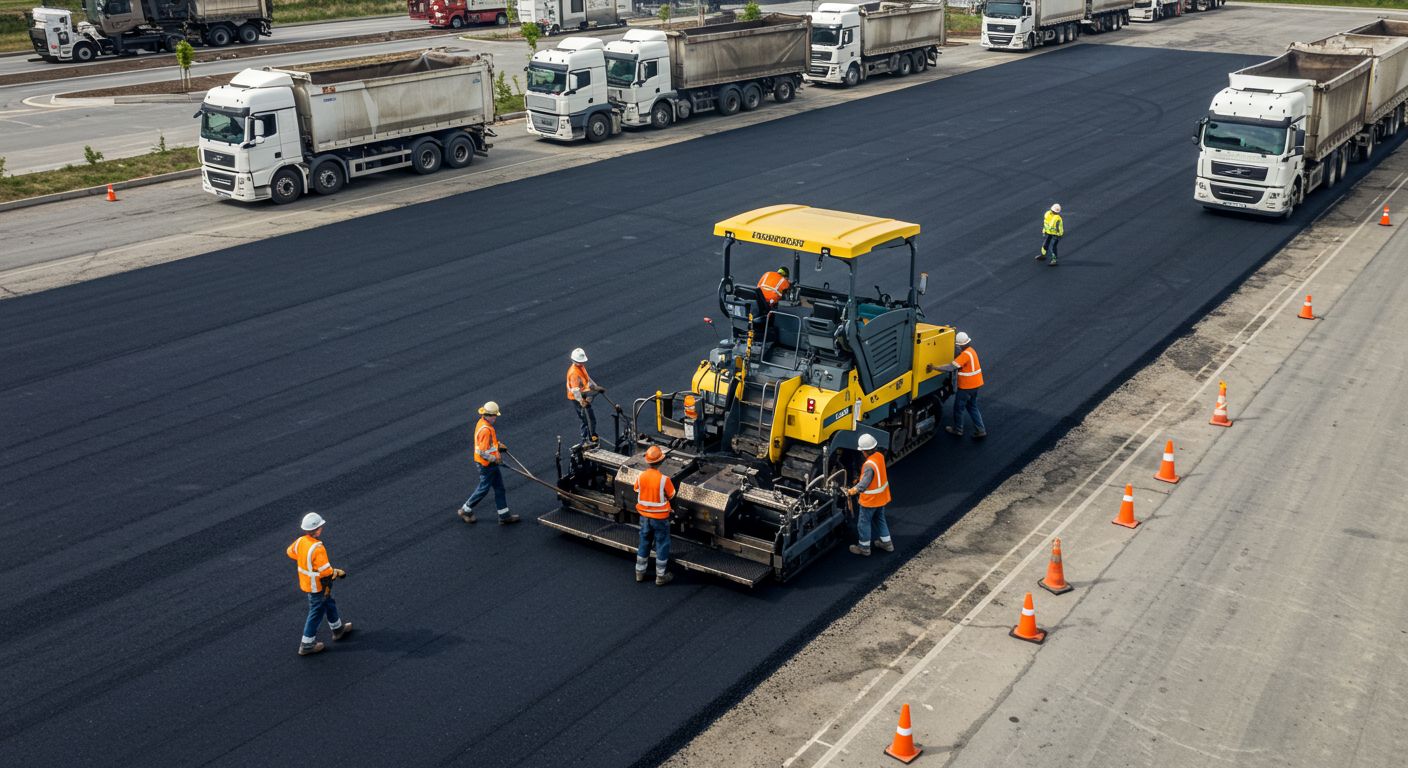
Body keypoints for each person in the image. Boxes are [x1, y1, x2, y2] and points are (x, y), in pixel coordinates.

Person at [286, 512, 352, 656]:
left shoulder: (300, 541)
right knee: (316, 612)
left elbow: (290, 552)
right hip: (318, 585)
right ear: (317, 529)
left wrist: (305, 560)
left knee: (329, 603)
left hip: (307, 583)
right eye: (321, 527)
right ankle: (307, 644)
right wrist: (336, 572)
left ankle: (338, 629)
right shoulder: (317, 548)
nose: (322, 528)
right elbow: (325, 571)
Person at [457, 401, 521, 525]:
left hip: (491, 464)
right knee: (484, 488)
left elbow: (489, 445)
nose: (496, 418)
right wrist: (495, 459)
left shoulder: (482, 423)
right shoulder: (485, 430)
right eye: (495, 416)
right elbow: (481, 451)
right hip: (486, 465)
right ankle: (465, 509)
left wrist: (498, 447)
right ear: (489, 415)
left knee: (499, 488)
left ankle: (504, 516)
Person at [634, 445, 676, 585]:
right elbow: (671, 495)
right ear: (661, 462)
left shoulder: (640, 476)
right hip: (660, 518)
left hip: (644, 517)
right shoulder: (664, 479)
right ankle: (661, 576)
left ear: (647, 461)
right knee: (662, 544)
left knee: (644, 542)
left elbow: (637, 489)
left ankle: (639, 572)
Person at [846, 433, 894, 556]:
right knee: (880, 519)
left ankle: (864, 548)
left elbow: (864, 484)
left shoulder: (868, 465)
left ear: (865, 451)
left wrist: (853, 490)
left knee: (863, 523)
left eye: (862, 451)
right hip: (881, 498)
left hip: (870, 500)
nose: (862, 453)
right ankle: (887, 544)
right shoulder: (879, 456)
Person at [939, 331, 987, 438]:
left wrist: (934, 367)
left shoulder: (964, 355)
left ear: (960, 345)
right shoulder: (971, 351)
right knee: (972, 406)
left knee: (958, 408)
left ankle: (958, 430)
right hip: (975, 386)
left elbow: (951, 367)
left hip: (966, 387)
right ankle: (981, 429)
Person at [566, 347, 608, 444]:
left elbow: (587, 378)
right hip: (577, 398)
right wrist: (582, 402)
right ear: (575, 360)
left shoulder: (580, 367)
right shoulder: (574, 373)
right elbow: (576, 391)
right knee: (586, 419)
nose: (582, 363)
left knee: (590, 418)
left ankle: (592, 435)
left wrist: (595, 387)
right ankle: (586, 439)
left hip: (583, 394)